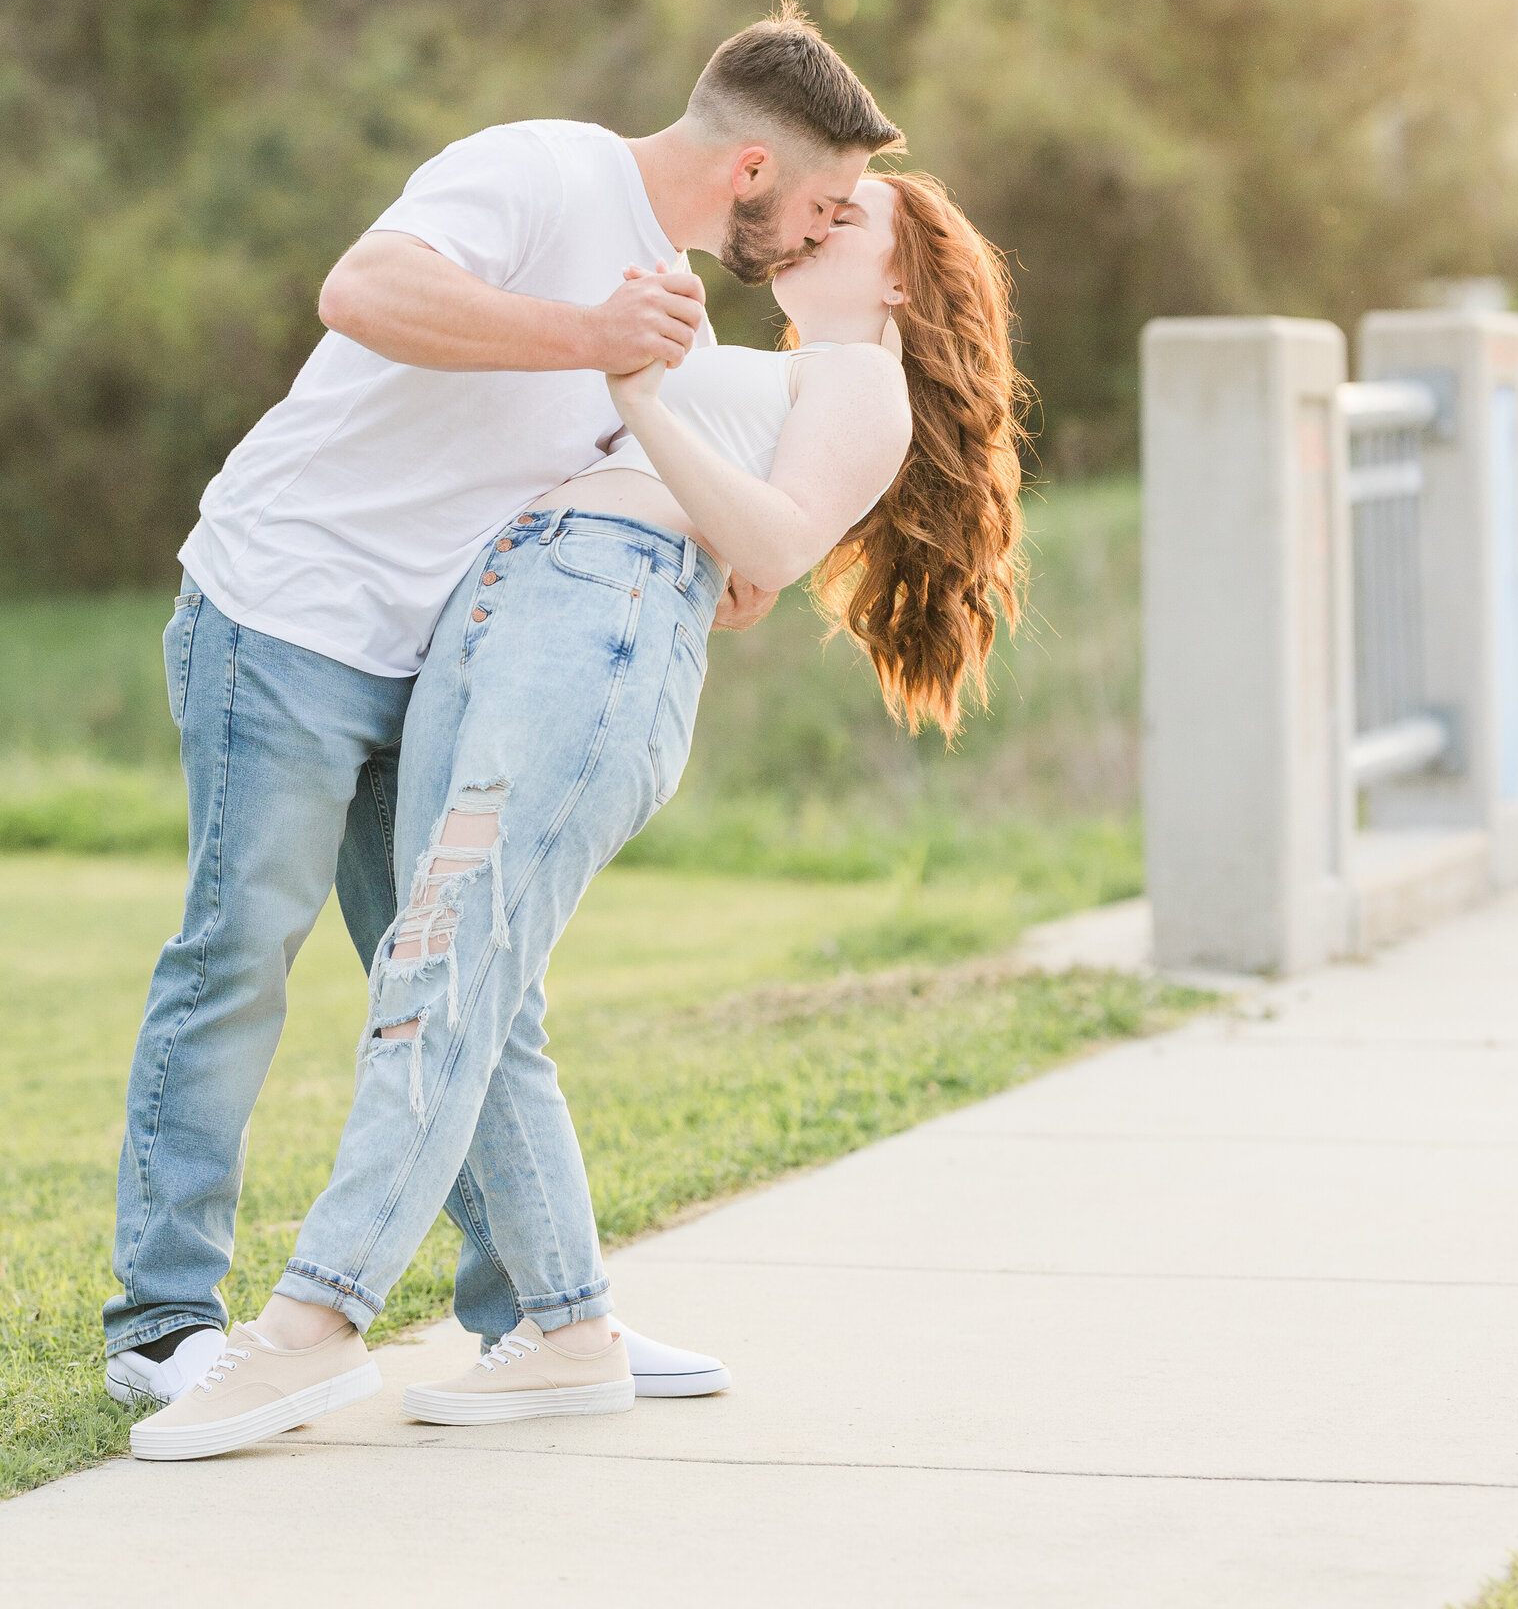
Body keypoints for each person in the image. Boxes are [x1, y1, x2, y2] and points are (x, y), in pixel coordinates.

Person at [128, 169, 1026, 1459]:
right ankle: (564, 1328)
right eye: (823, 204)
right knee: (469, 981)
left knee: (441, 964)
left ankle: (307, 1331)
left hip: (594, 629)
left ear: (902, 278)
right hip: (497, 617)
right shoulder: (742, 361)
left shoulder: (862, 378)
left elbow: (768, 540)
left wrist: (645, 408)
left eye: (854, 220)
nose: (821, 222)